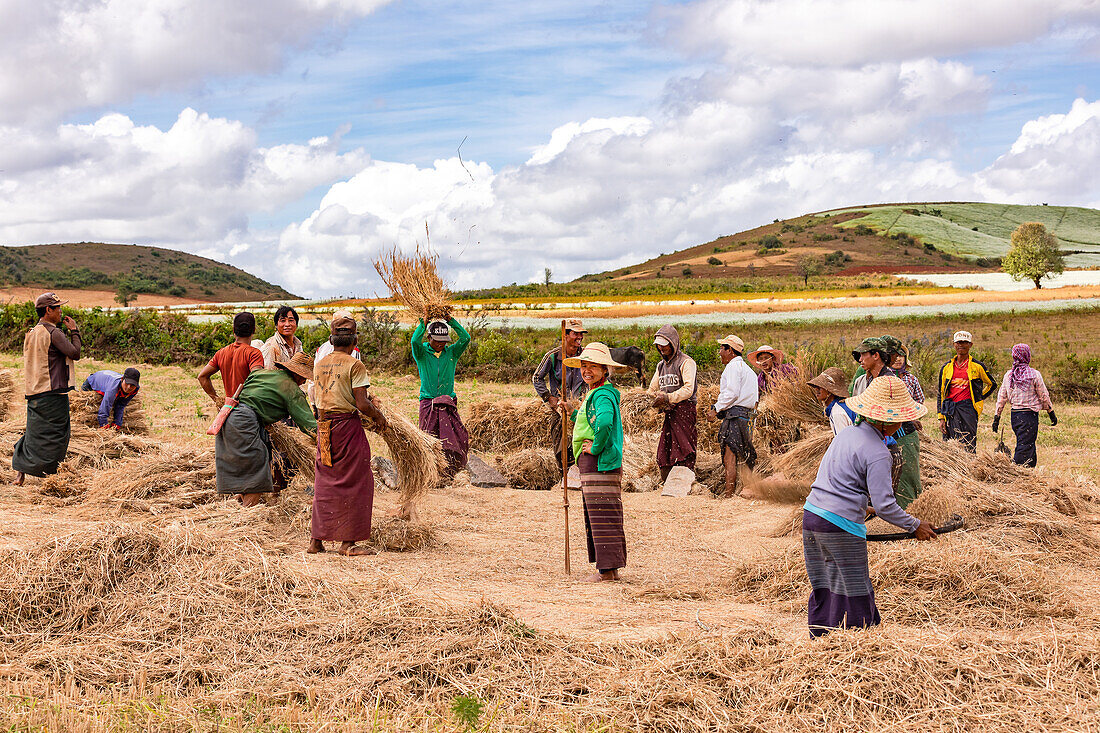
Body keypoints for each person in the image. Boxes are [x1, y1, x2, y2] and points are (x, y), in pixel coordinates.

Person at [802, 376, 937, 637]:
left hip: (812, 518)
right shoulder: (878, 452)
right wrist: (915, 525)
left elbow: (838, 480)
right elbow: (886, 506)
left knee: (825, 585)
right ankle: (857, 646)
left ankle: (821, 641)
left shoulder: (846, 435)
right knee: (854, 589)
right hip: (839, 526)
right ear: (889, 422)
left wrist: (862, 505)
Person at [311, 315, 389, 556]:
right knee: (358, 481)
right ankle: (348, 543)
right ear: (355, 340)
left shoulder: (320, 364)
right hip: (347, 427)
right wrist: (379, 417)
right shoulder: (355, 365)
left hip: (324, 428)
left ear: (331, 340)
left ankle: (316, 541)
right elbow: (362, 403)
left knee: (324, 482)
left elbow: (315, 397)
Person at [214, 351, 317, 507]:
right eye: (304, 377)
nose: (303, 381)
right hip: (246, 423)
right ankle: (247, 516)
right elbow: (309, 425)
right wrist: (326, 438)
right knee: (257, 468)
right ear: (296, 373)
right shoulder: (291, 389)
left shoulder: (261, 374)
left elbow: (251, 395)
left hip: (230, 417)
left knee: (246, 466)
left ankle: (238, 506)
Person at [564, 343, 626, 582]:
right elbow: (589, 421)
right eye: (584, 365)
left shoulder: (601, 394)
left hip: (599, 461)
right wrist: (571, 411)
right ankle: (608, 569)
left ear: (604, 370)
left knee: (602, 514)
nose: (587, 370)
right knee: (601, 513)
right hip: (596, 461)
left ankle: (608, 572)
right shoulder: (596, 392)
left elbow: (604, 423)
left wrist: (596, 447)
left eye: (593, 366)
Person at [12, 293, 82, 486]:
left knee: (34, 434)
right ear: (48, 310)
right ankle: (52, 475)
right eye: (57, 307)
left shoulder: (32, 332)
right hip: (53, 393)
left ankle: (20, 471)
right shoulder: (54, 332)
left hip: (34, 391)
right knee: (58, 436)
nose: (60, 311)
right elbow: (74, 353)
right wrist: (75, 331)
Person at [411, 315, 472, 478]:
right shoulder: (422, 353)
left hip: (447, 402)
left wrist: (451, 320)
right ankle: (429, 471)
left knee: (452, 437)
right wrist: (423, 324)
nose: (440, 344)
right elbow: (414, 342)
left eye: (444, 340)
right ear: (429, 337)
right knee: (428, 437)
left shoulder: (451, 352)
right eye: (437, 340)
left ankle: (449, 471)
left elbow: (466, 338)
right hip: (428, 402)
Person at [706, 335, 758, 496]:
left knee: (730, 457)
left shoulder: (733, 368)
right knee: (744, 456)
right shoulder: (749, 371)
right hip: (747, 417)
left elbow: (732, 393)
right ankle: (746, 490)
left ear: (730, 351)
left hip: (735, 416)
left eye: (722, 348)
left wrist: (716, 409)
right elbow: (755, 400)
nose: (720, 352)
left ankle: (729, 495)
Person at [533, 318, 588, 467]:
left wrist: (586, 398)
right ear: (565, 335)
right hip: (559, 406)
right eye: (575, 334)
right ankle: (563, 470)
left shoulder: (585, 355)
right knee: (560, 442)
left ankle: (581, 469)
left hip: (581, 405)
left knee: (584, 438)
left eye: (581, 334)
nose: (579, 337)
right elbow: (537, 377)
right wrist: (548, 397)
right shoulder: (552, 356)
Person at [991, 344, 1056, 468]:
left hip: (1015, 416)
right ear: (1028, 355)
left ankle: (1030, 470)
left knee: (1028, 443)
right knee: (1024, 446)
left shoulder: (1008, 375)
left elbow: (1001, 397)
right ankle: (1017, 471)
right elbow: (1043, 395)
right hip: (1029, 416)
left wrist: (996, 417)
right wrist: (1051, 412)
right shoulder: (1034, 374)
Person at [649, 325, 698, 481]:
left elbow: (689, 389)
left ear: (673, 343)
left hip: (684, 411)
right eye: (659, 345)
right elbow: (652, 388)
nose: (661, 348)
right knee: (665, 448)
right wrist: (648, 399)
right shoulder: (661, 366)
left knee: (684, 447)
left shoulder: (686, 362)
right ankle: (667, 482)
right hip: (669, 413)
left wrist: (668, 398)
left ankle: (684, 481)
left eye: (665, 344)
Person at [936, 330, 996, 453]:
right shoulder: (946, 367)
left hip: (968, 408)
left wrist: (978, 397)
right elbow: (941, 393)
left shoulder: (977, 366)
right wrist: (941, 417)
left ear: (970, 345)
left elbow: (992, 384)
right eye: (958, 342)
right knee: (950, 443)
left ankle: (969, 469)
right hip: (950, 408)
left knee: (968, 442)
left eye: (964, 342)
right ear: (954, 344)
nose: (961, 345)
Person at [198, 312, 264, 408]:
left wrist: (218, 400)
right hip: (249, 411)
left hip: (229, 410)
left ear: (233, 330)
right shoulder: (254, 353)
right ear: (253, 330)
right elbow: (258, 379)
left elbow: (202, 377)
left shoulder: (221, 353)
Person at [890, 345, 925, 507]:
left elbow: (919, 400)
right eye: (895, 356)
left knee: (909, 471)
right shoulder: (885, 378)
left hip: (907, 429)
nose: (898, 359)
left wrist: (912, 415)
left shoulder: (911, 379)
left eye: (901, 356)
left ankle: (912, 507)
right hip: (889, 429)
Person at [309, 310, 361, 407]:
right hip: (344, 406)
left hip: (322, 405)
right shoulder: (353, 349)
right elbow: (355, 384)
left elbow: (313, 380)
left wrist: (314, 405)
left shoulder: (321, 349)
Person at [807, 367, 855, 435]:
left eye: (820, 387)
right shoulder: (841, 405)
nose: (816, 389)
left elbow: (844, 442)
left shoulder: (837, 412)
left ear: (830, 391)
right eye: (816, 386)